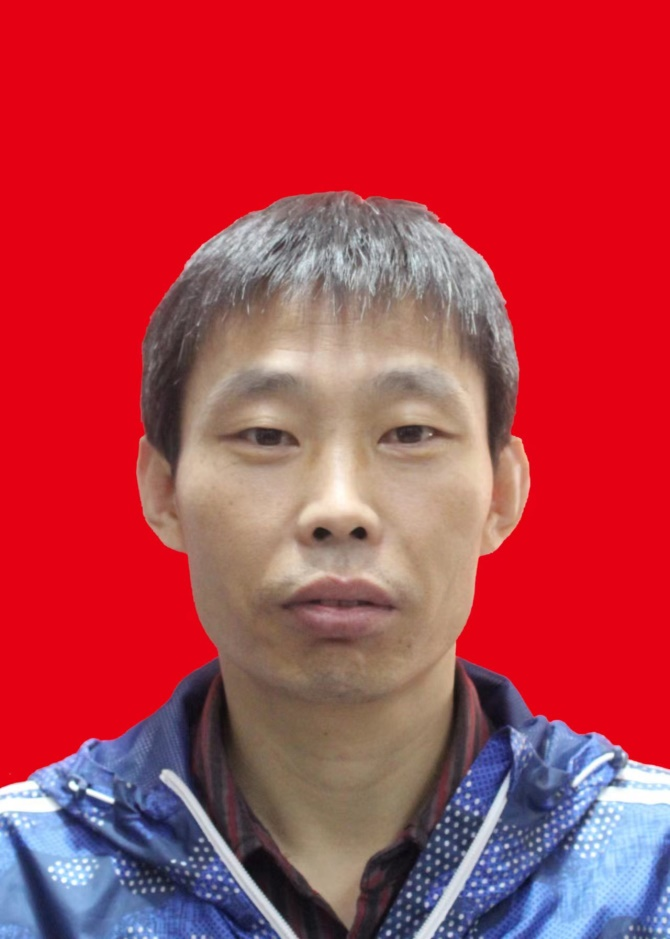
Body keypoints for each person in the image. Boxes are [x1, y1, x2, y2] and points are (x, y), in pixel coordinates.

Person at [1, 193, 668, 939]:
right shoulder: (24, 872)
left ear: (502, 492)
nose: (340, 508)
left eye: (410, 432)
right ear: (164, 490)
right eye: (266, 435)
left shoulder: (649, 865)